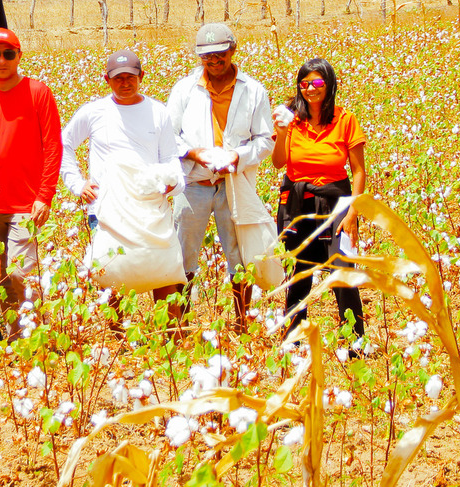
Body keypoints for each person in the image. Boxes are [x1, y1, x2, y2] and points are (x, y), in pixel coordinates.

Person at [60, 49, 186, 318]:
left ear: (142, 76)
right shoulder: (94, 112)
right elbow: (64, 144)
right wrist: (77, 184)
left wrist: (172, 185)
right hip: (106, 208)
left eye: (130, 77)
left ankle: (171, 336)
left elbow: (172, 159)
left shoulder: (158, 112)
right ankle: (117, 339)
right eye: (118, 78)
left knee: (163, 272)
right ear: (107, 80)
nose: (125, 83)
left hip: (150, 208)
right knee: (111, 273)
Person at [166, 23, 275, 330]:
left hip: (233, 184)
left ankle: (242, 322)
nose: (214, 62)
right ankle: (181, 324)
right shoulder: (184, 89)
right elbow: (168, 137)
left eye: (220, 55)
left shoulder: (253, 90)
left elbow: (265, 140)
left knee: (239, 253)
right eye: (207, 57)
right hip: (194, 183)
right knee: (184, 254)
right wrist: (194, 154)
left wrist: (237, 157)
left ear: (233, 51)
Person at [0, 27, 63, 329]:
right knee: (0, 275)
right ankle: (16, 340)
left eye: (9, 54)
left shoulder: (38, 92)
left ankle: (33, 334)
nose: (2, 60)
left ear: (19, 55)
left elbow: (52, 146)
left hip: (27, 203)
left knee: (23, 273)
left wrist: (44, 195)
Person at [271, 58, 367, 341]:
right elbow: (278, 163)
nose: (310, 89)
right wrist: (283, 133)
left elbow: (359, 171)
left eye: (317, 83)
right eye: (305, 84)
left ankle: (353, 338)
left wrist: (353, 213)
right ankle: (294, 336)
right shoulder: (290, 118)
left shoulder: (345, 119)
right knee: (299, 270)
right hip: (296, 202)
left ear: (329, 85)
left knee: (342, 267)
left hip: (336, 201)